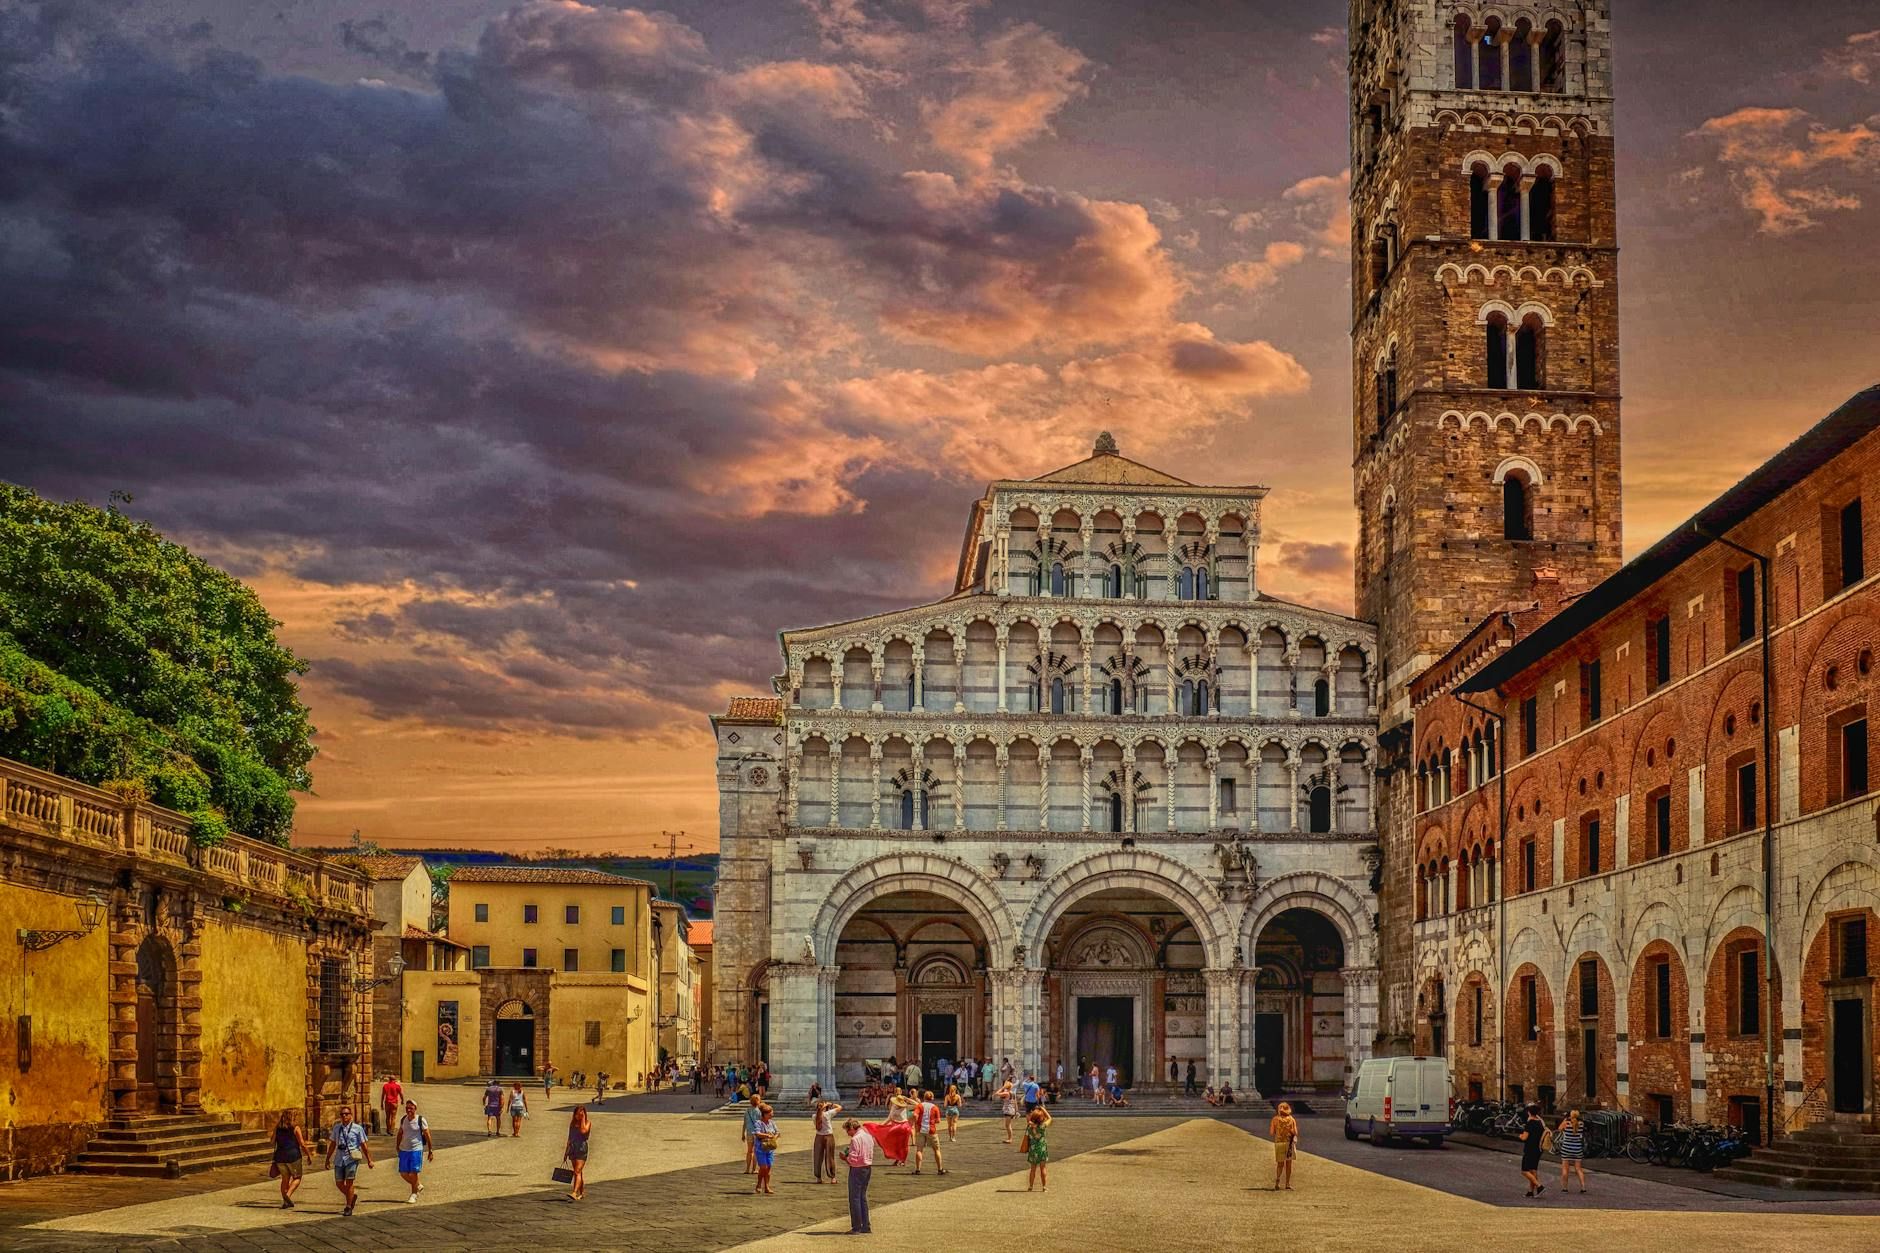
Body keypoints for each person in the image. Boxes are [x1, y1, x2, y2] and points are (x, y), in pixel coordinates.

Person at [322, 1106, 373, 1217]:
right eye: (342, 1114)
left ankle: (348, 1206)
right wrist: (327, 1159)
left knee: (349, 1182)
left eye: (346, 1114)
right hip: (339, 1158)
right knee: (339, 1183)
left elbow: (363, 1145)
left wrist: (369, 1160)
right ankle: (351, 1196)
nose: (344, 1116)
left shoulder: (357, 1128)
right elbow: (332, 1144)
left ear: (351, 1115)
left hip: (351, 1158)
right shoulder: (336, 1128)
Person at [395, 1099, 433, 1203]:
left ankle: (414, 1194)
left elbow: (427, 1135)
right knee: (403, 1173)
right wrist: (397, 1146)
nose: (409, 1110)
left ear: (415, 1109)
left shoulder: (420, 1120)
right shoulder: (403, 1119)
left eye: (411, 1108)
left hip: (416, 1149)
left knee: (413, 1173)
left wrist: (430, 1150)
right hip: (404, 1149)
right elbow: (400, 1133)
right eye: (407, 1108)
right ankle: (417, 1185)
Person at [864, 1090, 916, 1165]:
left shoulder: (906, 1107)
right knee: (894, 1143)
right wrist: (881, 1126)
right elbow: (889, 1118)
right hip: (895, 1126)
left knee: (903, 1145)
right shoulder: (894, 1106)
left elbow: (917, 1104)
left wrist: (906, 1099)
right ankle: (897, 1159)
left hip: (904, 1127)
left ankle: (903, 1160)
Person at [271, 1110, 310, 1209]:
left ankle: (285, 1202)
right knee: (297, 1178)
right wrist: (309, 1155)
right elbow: (302, 1143)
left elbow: (272, 1141)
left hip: (280, 1157)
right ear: (292, 1117)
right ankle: (287, 1195)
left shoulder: (277, 1128)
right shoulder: (295, 1128)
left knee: (285, 1179)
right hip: (293, 1156)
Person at [843, 1118, 875, 1235]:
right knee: (862, 1197)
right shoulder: (868, 1136)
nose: (848, 1134)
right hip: (867, 1167)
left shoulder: (855, 1139)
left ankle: (856, 1226)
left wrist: (845, 1158)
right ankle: (866, 1225)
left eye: (848, 1131)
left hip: (857, 1168)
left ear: (851, 1128)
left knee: (855, 1197)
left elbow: (852, 1159)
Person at [912, 1090, 947, 1175]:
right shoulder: (935, 1107)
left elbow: (915, 1115)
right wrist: (931, 1121)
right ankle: (940, 1169)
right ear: (932, 1098)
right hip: (931, 1130)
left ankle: (918, 1169)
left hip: (921, 1130)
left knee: (919, 1150)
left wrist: (916, 1122)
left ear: (924, 1097)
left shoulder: (920, 1106)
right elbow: (938, 1120)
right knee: (936, 1150)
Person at [1518, 1102, 1547, 1197]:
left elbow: (1525, 1137)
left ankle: (1539, 1186)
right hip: (1538, 1149)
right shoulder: (1540, 1123)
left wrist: (1520, 1136)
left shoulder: (1530, 1123)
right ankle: (1530, 1192)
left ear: (1529, 1113)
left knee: (1524, 1171)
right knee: (1533, 1170)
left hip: (1530, 1149)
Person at [1556, 1108, 1588, 1193]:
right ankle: (1583, 1187)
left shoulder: (1566, 1123)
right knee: (1578, 1168)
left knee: (1565, 1169)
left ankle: (1565, 1188)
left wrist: (1565, 1119)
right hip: (1577, 1148)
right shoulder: (1581, 1124)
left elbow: (1559, 1128)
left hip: (1566, 1147)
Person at [812, 1098, 843, 1183]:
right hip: (828, 1136)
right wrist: (831, 1104)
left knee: (817, 1157)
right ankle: (832, 1177)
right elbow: (840, 1107)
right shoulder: (828, 1114)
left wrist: (823, 1106)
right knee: (830, 1157)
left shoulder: (814, 1116)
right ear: (825, 1107)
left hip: (818, 1137)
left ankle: (818, 1178)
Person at [1269, 1101, 1299, 1191]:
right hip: (1289, 1143)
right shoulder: (1291, 1119)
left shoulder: (1275, 1119)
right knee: (1288, 1164)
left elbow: (1271, 1132)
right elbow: (1295, 1132)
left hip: (1279, 1142)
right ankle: (1287, 1183)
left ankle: (1277, 1180)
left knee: (1280, 1164)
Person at [564, 1105, 591, 1200]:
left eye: (581, 1114)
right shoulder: (572, 1124)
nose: (579, 1116)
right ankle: (582, 1192)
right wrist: (566, 1152)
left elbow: (583, 1131)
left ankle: (574, 1192)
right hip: (573, 1148)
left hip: (581, 1148)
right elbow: (569, 1138)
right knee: (578, 1172)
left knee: (577, 1171)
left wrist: (583, 1119)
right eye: (577, 1114)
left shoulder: (587, 1123)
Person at [752, 1102, 779, 1195]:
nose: (772, 1114)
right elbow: (757, 1133)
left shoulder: (772, 1123)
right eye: (770, 1113)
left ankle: (767, 1186)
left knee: (768, 1168)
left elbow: (777, 1132)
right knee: (763, 1167)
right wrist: (767, 1135)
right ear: (765, 1114)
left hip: (770, 1149)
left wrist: (775, 1136)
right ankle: (759, 1184)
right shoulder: (758, 1123)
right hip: (761, 1148)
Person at [1023, 1107, 1052, 1192]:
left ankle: (1031, 1186)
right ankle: (1044, 1187)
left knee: (1033, 1169)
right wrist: (1043, 1109)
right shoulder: (1042, 1127)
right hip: (1042, 1149)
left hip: (1033, 1149)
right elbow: (1050, 1118)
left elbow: (1027, 1136)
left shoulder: (1029, 1127)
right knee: (1043, 1168)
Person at [743, 1089, 763, 1173]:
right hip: (757, 1133)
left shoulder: (747, 1111)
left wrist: (742, 1133)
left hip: (749, 1132)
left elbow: (744, 1123)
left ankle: (747, 1169)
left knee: (749, 1151)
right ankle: (754, 1169)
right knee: (755, 1151)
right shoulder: (759, 1112)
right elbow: (761, 1123)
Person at [379, 1073, 403, 1139]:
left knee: (387, 1117)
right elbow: (401, 1094)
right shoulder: (397, 1086)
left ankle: (388, 1130)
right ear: (394, 1080)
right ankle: (392, 1130)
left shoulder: (385, 1086)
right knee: (393, 1117)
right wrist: (402, 1100)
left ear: (389, 1079)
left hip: (387, 1102)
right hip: (394, 1103)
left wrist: (381, 1104)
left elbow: (383, 1095)